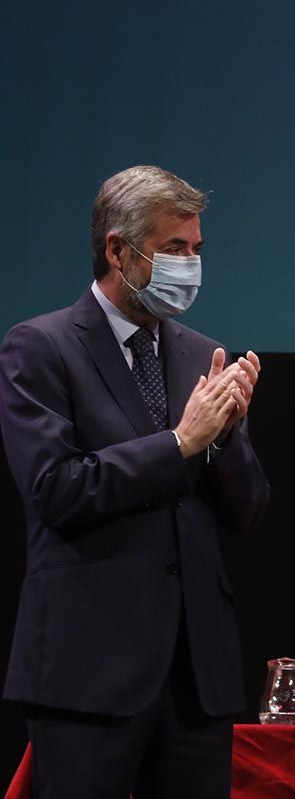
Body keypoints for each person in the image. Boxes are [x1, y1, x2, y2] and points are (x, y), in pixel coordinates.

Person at [0, 165, 270, 797]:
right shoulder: (39, 348)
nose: (190, 265)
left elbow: (249, 511)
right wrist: (181, 443)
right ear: (118, 249)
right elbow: (57, 490)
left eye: (196, 249)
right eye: (174, 248)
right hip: (88, 670)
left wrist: (227, 437)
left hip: (194, 676)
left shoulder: (201, 352)